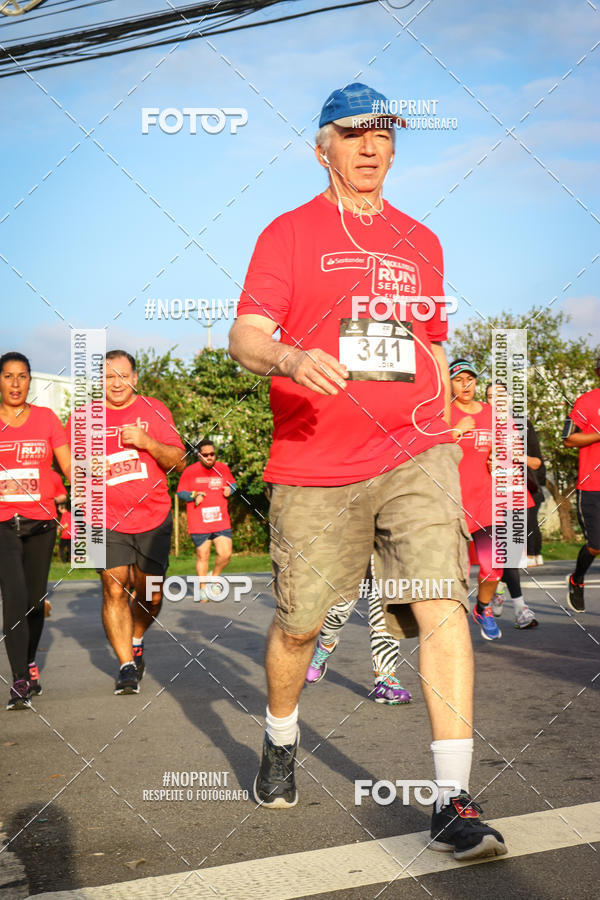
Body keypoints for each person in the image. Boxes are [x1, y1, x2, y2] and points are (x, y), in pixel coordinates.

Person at [229, 82, 506, 859]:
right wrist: (289, 355)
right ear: (323, 145)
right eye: (354, 134)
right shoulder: (287, 234)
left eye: (384, 133)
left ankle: (452, 800)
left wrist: (449, 412)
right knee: (301, 624)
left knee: (440, 604)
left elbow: (430, 342)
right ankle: (281, 736)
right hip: (316, 465)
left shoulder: (423, 240)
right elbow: (245, 336)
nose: (371, 146)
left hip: (416, 451)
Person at [67, 350, 186, 694]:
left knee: (151, 594)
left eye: (122, 375)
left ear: (135, 378)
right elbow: (71, 467)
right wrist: (90, 468)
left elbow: (179, 461)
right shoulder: (84, 418)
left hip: (153, 516)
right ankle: (126, 666)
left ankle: (136, 637)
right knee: (114, 587)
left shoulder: (155, 410)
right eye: (107, 376)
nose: (115, 383)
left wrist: (148, 442)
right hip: (103, 517)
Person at [0, 351, 71, 709]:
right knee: (13, 599)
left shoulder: (45, 419)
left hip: (41, 523)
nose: (15, 384)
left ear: (30, 380)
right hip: (1, 525)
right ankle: (19, 680)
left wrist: (84, 501)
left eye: (22, 376)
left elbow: (68, 466)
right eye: (9, 376)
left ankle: (28, 662)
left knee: (33, 602)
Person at [306, 558, 412, 704]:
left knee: (385, 595)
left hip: (386, 541)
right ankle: (326, 643)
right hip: (351, 540)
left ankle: (384, 678)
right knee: (340, 608)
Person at [484, 383, 540, 629]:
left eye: (499, 396)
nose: (494, 400)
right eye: (489, 397)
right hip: (491, 497)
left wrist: (520, 457)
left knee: (513, 556)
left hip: (518, 495)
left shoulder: (521, 424)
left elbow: (537, 463)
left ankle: (498, 591)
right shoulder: (482, 424)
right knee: (507, 553)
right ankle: (520, 609)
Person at [176, 440, 236, 601]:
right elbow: (180, 492)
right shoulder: (190, 471)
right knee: (203, 555)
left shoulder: (223, 468)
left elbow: (233, 483)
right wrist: (194, 495)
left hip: (220, 520)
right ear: (199, 455)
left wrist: (231, 489)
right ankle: (203, 589)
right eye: (206, 454)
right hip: (199, 521)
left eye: (212, 454)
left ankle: (214, 578)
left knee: (226, 554)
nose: (210, 457)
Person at [564, 354, 600, 612]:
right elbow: (568, 439)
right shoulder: (586, 402)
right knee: (596, 545)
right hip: (592, 486)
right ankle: (577, 579)